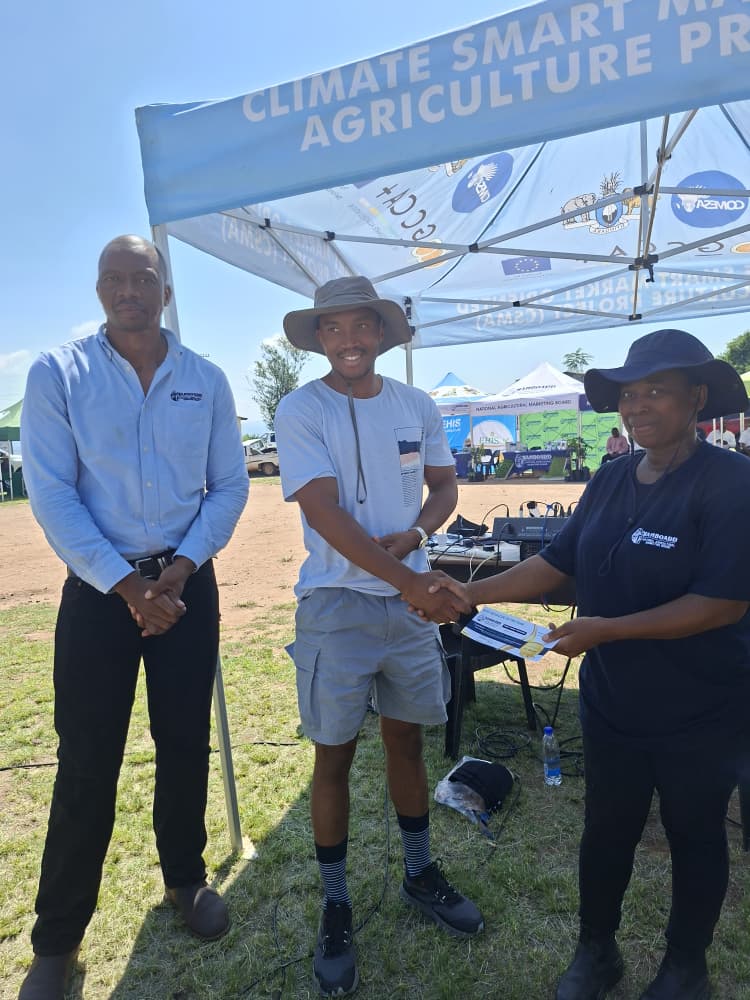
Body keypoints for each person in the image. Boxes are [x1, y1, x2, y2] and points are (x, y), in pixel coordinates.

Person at [421, 328, 750, 1000]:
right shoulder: (609, 478)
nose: (638, 405)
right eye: (629, 393)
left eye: (657, 390)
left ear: (697, 397)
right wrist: (472, 592)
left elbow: (723, 602)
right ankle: (596, 951)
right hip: (613, 703)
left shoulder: (733, 483)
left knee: (694, 834)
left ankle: (686, 968)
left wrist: (606, 631)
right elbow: (556, 562)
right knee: (606, 829)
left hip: (703, 709)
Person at [17, 235, 249, 1000]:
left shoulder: (205, 380)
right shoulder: (58, 374)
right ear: (98, 291)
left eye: (143, 279)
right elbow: (53, 493)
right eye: (114, 279)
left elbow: (228, 486)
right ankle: (57, 940)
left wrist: (178, 571)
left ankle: (185, 880)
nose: (129, 291)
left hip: (185, 586)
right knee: (87, 760)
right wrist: (126, 586)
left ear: (165, 293)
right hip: (98, 593)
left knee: (184, 742)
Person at [274, 276, 482, 997]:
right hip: (337, 604)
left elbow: (444, 488)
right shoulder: (301, 408)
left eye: (361, 325)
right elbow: (323, 513)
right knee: (332, 756)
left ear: (383, 333)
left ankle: (419, 872)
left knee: (407, 742)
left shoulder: (416, 405)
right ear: (319, 339)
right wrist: (408, 580)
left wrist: (418, 534)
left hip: (407, 608)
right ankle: (337, 905)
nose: (348, 340)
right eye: (332, 328)